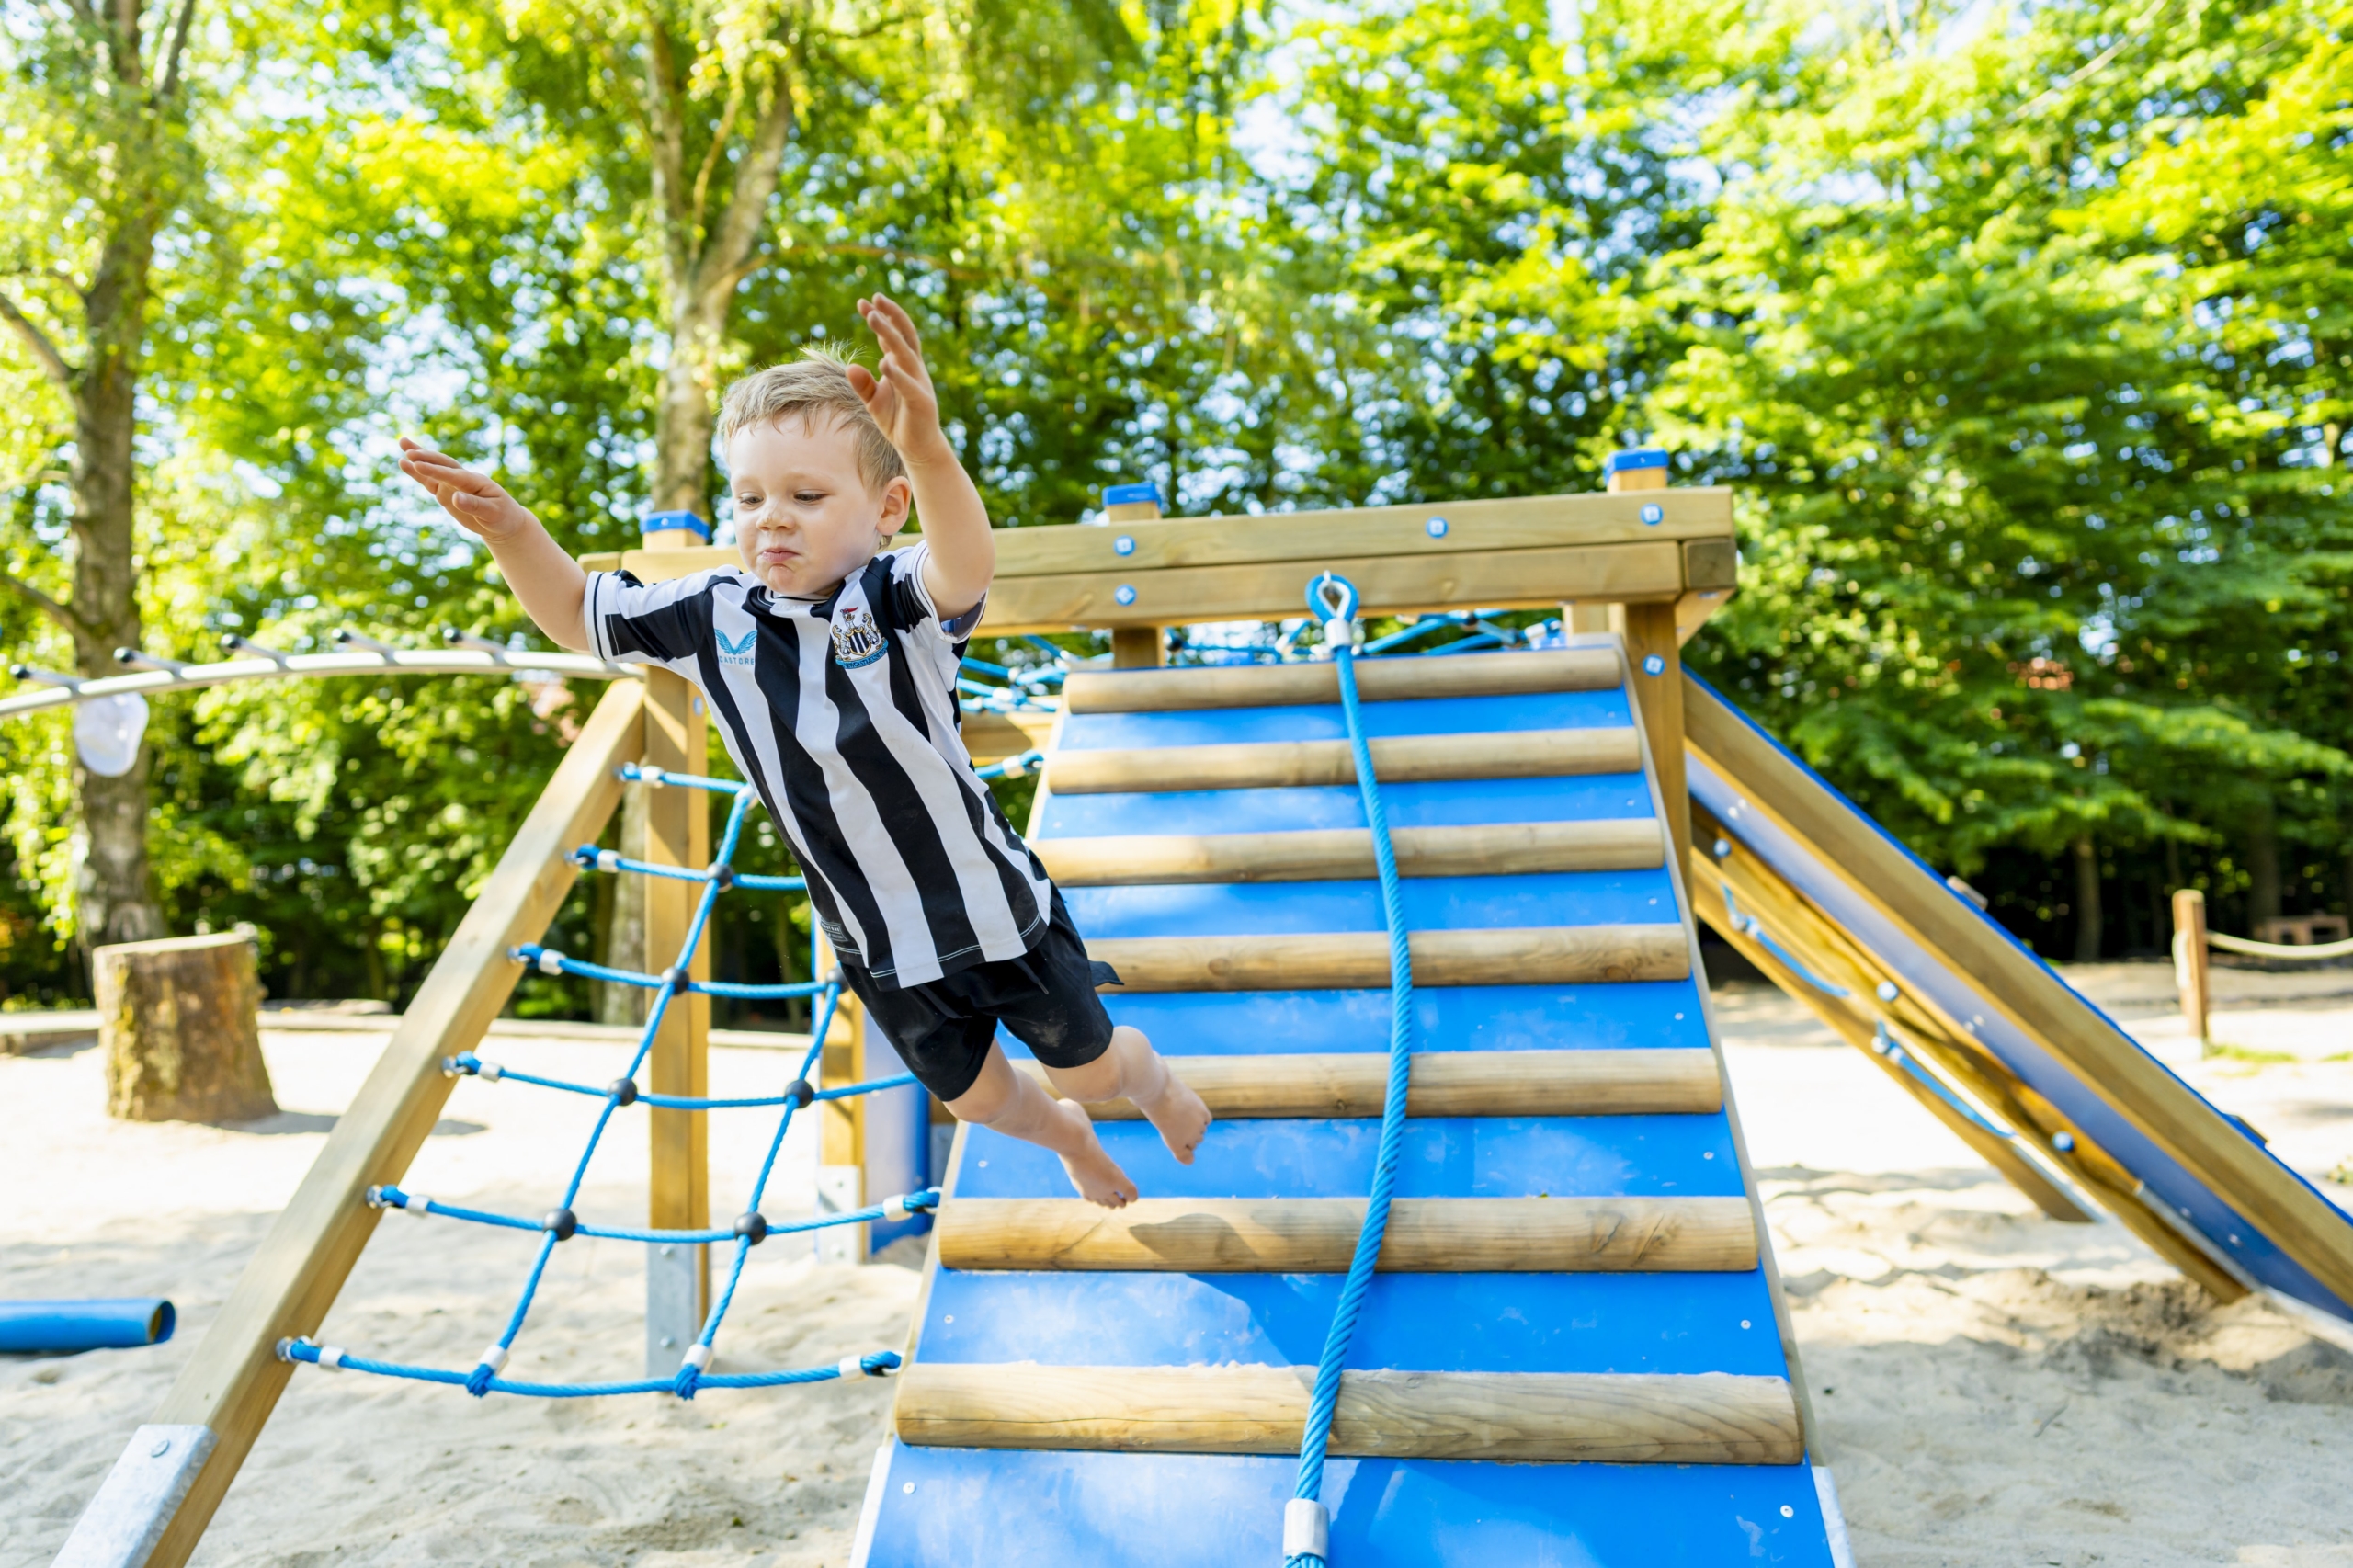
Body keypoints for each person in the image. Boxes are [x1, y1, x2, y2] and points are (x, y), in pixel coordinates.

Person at [396, 293, 1210, 1208]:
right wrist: (512, 532)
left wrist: (927, 448)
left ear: (887, 508)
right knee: (982, 1102)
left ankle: (1150, 1081)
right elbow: (580, 615)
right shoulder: (711, 613)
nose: (771, 518)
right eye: (749, 498)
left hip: (992, 907)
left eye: (806, 496)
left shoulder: (895, 598)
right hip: (875, 939)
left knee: (1091, 1071)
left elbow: (966, 562)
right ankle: (1069, 1140)